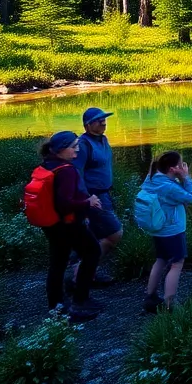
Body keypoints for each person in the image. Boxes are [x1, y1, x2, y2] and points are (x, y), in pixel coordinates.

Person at [37, 131, 104, 319]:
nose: (77, 149)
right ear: (61, 149)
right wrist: (88, 202)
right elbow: (65, 203)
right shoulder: (66, 170)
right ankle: (80, 301)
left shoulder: (48, 164)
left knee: (57, 263)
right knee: (92, 252)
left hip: (52, 224)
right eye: (73, 146)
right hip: (69, 224)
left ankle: (56, 307)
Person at [140, 151, 192, 313]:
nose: (184, 166)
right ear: (173, 169)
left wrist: (177, 176)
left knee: (161, 259)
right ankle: (170, 304)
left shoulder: (151, 177)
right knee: (176, 263)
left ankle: (150, 297)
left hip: (157, 230)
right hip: (172, 231)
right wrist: (186, 178)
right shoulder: (169, 187)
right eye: (182, 164)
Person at [70, 106, 122, 285]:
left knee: (93, 237)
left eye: (104, 118)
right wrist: (86, 199)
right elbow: (76, 173)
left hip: (104, 194)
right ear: (87, 125)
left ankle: (87, 273)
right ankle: (80, 273)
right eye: (99, 119)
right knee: (115, 233)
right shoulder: (83, 144)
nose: (103, 122)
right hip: (93, 198)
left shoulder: (103, 139)